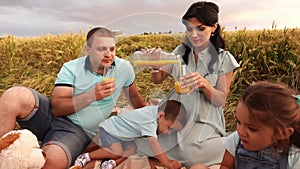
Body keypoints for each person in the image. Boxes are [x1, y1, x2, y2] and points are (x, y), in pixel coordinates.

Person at [0, 27, 146, 169]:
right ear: (87, 49)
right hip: (49, 116)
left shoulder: (124, 69)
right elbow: (56, 108)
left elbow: (133, 96)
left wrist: (151, 117)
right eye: (101, 49)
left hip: (78, 129)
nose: (108, 54)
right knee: (14, 96)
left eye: (112, 49)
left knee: (51, 161)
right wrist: (92, 95)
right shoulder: (72, 67)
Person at [135, 1, 240, 168]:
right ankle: (160, 156)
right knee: (144, 137)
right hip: (174, 113)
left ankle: (230, 144)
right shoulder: (180, 52)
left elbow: (220, 100)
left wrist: (204, 84)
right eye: (189, 29)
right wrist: (155, 66)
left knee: (187, 148)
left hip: (203, 120)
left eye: (200, 28)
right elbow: (157, 79)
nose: (194, 34)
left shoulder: (223, 59)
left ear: (213, 27)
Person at [72, 100, 187, 169]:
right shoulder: (149, 121)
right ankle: (86, 156)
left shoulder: (155, 112)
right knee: (117, 150)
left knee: (133, 148)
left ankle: (112, 162)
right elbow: (153, 143)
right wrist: (167, 162)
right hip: (110, 130)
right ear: (161, 115)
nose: (167, 133)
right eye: (169, 128)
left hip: (123, 135)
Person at [219, 81, 300, 169]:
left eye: (252, 128)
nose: (241, 131)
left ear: (282, 133)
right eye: (238, 122)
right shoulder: (237, 139)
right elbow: (226, 165)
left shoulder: (294, 155)